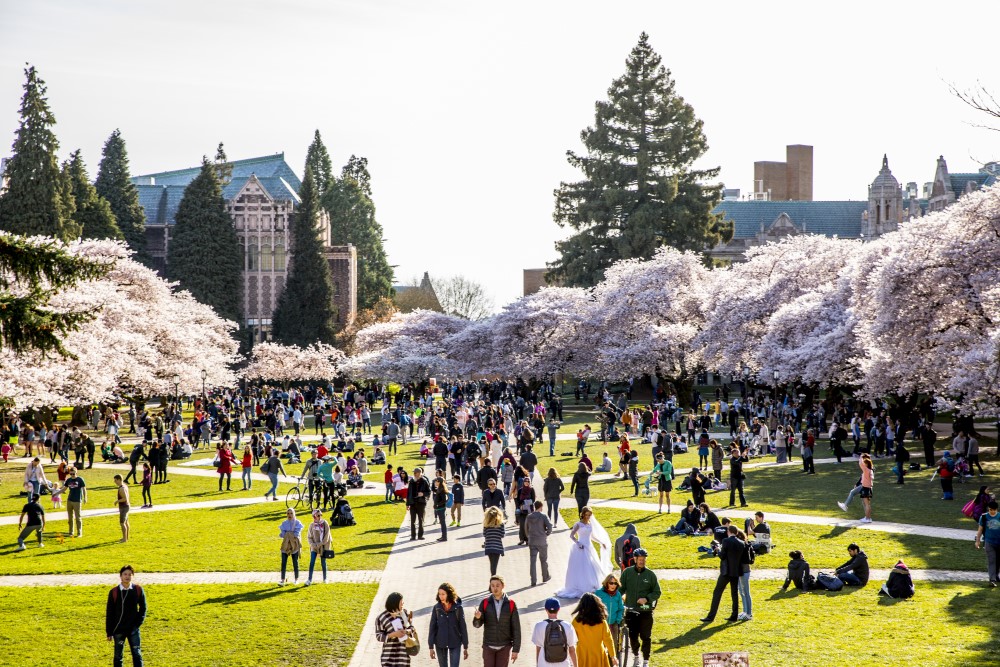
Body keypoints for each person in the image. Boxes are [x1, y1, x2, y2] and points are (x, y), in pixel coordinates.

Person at [556, 506, 613, 599]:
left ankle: (592, 584)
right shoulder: (578, 524)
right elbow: (571, 535)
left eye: (589, 515)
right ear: (583, 514)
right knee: (581, 567)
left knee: (592, 565)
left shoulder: (590, 524)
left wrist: (601, 542)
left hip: (589, 546)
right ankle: (581, 586)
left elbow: (591, 536)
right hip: (580, 547)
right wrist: (578, 543)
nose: (588, 517)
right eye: (586, 515)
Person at [619, 548, 659, 667]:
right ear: (635, 559)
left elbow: (657, 592)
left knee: (646, 636)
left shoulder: (650, 575)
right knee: (633, 636)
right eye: (640, 559)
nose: (642, 561)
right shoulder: (627, 573)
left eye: (643, 559)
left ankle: (646, 660)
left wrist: (646, 599)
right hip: (631, 610)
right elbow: (621, 588)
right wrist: (615, 597)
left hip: (645, 611)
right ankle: (636, 656)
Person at [472, 575, 521, 667]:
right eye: (492, 585)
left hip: (504, 646)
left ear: (503, 586)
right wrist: (477, 618)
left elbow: (516, 628)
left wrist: (516, 649)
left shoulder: (511, 604)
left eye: (497, 585)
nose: (495, 588)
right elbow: (477, 625)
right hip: (488, 646)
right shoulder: (485, 603)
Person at [701, 525, 744, 624]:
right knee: (734, 594)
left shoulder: (726, 541)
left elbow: (722, 556)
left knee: (717, 593)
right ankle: (734, 615)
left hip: (726, 571)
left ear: (729, 532)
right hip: (736, 571)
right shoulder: (741, 543)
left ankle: (711, 616)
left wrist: (718, 549)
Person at [106, 565, 147, 667]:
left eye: (130, 574)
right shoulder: (114, 592)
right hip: (119, 630)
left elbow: (143, 608)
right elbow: (109, 613)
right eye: (125, 574)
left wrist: (137, 625)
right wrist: (109, 632)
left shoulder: (138, 590)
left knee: (137, 654)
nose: (127, 576)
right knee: (118, 656)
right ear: (120, 576)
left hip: (133, 630)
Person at [428, 582, 469, 667]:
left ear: (449, 594)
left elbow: (463, 627)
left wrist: (465, 646)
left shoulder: (458, 608)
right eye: (439, 594)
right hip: (440, 643)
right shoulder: (437, 608)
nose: (441, 596)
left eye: (443, 594)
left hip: (455, 642)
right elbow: (432, 627)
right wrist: (431, 647)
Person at [532, 597, 579, 667]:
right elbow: (572, 649)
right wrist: (575, 666)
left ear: (546, 610)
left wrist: (537, 664)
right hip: (564, 664)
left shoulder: (538, 626)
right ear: (559, 609)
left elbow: (538, 648)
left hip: (544, 664)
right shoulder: (568, 626)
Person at [570, 592, 613, 667]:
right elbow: (608, 639)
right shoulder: (602, 621)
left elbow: (571, 640)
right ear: (597, 605)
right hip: (598, 654)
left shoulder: (576, 621)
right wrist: (613, 656)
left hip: (582, 654)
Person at [375, 591, 412, 667]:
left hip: (403, 657)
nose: (403, 604)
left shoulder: (404, 614)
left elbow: (411, 628)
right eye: (401, 602)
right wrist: (393, 634)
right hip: (388, 658)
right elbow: (379, 636)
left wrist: (407, 631)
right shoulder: (381, 618)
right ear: (395, 603)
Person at [594, 574, 624, 657]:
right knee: (601, 646)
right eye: (611, 583)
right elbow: (594, 608)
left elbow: (621, 608)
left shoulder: (618, 594)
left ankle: (612, 662)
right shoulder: (599, 593)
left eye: (615, 583)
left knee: (613, 645)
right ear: (606, 583)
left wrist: (618, 620)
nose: (613, 585)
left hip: (613, 623)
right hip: (602, 623)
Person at [525, 500, 553, 586]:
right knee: (543, 560)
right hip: (542, 541)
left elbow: (526, 528)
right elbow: (550, 526)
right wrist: (546, 534)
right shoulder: (543, 516)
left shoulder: (529, 516)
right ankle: (545, 576)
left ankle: (533, 580)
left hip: (532, 540)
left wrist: (528, 537)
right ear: (540, 507)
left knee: (532, 561)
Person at [975, 500, 1000, 586]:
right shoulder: (984, 517)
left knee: (998, 561)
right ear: (988, 509)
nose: (992, 511)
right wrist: (977, 541)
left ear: (997, 509)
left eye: (994, 510)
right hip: (989, 542)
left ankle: (996, 576)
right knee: (991, 561)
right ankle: (992, 580)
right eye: (990, 510)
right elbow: (980, 530)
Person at [305, 508, 332, 586]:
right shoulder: (311, 525)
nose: (319, 517)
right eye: (317, 515)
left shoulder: (325, 523)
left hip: (323, 546)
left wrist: (320, 544)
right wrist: (313, 544)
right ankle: (309, 579)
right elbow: (309, 537)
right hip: (314, 547)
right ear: (314, 516)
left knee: (323, 562)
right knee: (312, 562)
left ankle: (325, 578)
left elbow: (327, 535)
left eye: (320, 515)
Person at [279, 507, 303, 585]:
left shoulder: (297, 523)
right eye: (288, 513)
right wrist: (287, 534)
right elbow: (282, 534)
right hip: (286, 544)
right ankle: (282, 579)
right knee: (283, 562)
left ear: (294, 514)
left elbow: (297, 533)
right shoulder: (284, 523)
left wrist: (289, 534)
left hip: (294, 544)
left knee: (295, 562)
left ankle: (296, 579)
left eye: (291, 513)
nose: (289, 515)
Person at [407, 467, 431, 541]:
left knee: (421, 520)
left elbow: (429, 492)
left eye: (416, 473)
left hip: (421, 503)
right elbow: (408, 493)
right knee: (412, 521)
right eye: (414, 473)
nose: (414, 474)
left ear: (420, 473)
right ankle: (413, 536)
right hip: (413, 503)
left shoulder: (424, 481)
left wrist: (423, 494)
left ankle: (420, 535)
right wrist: (407, 504)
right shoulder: (411, 481)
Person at [63, 466, 87, 538]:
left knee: (78, 517)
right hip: (69, 500)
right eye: (71, 474)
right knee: (70, 518)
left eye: (73, 474)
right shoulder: (68, 480)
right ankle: (71, 532)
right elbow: (64, 489)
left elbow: (84, 489)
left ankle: (79, 532)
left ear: (76, 473)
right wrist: (56, 493)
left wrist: (85, 498)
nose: (72, 475)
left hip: (77, 500)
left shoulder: (80, 479)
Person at [483, 506, 507, 576]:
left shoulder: (486, 525)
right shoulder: (500, 524)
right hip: (497, 546)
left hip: (489, 546)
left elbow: (485, 534)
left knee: (492, 563)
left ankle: (492, 577)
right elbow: (502, 535)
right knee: (495, 564)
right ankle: (493, 578)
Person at [114, 474, 131, 543]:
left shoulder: (121, 488)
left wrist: (117, 501)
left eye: (115, 480)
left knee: (122, 523)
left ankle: (124, 539)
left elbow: (125, 499)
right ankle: (126, 537)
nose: (115, 482)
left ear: (119, 479)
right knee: (126, 522)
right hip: (126, 506)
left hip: (124, 507)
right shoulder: (125, 486)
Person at [431, 477, 449, 542]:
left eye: (436, 481)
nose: (435, 482)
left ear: (439, 482)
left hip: (441, 508)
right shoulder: (439, 488)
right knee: (442, 523)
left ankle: (444, 537)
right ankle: (443, 536)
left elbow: (444, 500)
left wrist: (437, 504)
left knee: (443, 523)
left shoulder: (441, 490)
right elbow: (432, 489)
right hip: (439, 508)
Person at [858, 453, 874, 523]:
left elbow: (860, 463)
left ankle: (867, 519)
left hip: (865, 488)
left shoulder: (866, 470)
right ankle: (868, 518)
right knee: (868, 504)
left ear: (867, 464)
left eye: (865, 463)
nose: (864, 464)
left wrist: (861, 457)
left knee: (866, 504)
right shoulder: (871, 470)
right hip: (869, 488)